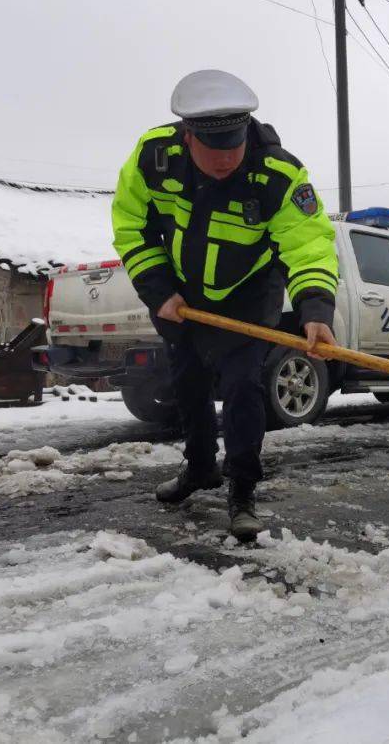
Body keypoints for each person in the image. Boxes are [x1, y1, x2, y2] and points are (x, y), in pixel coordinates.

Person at [111, 70, 339, 540]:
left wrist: (316, 312)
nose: (225, 161)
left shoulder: (279, 174)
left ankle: (243, 489)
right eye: (214, 152)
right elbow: (131, 225)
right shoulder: (154, 158)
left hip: (250, 292)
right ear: (188, 136)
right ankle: (199, 469)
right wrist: (159, 291)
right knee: (187, 381)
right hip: (180, 294)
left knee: (241, 387)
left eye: (233, 150)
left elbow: (309, 244)